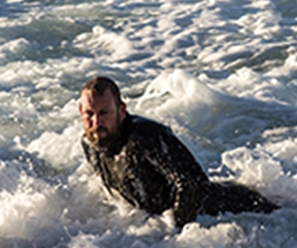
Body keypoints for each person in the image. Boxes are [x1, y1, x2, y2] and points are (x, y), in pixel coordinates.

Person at [78, 76, 277, 228]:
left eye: (104, 113)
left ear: (121, 110)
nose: (96, 122)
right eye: (89, 114)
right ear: (81, 112)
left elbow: (194, 183)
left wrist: (175, 232)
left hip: (238, 212)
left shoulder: (144, 137)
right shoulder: (91, 144)